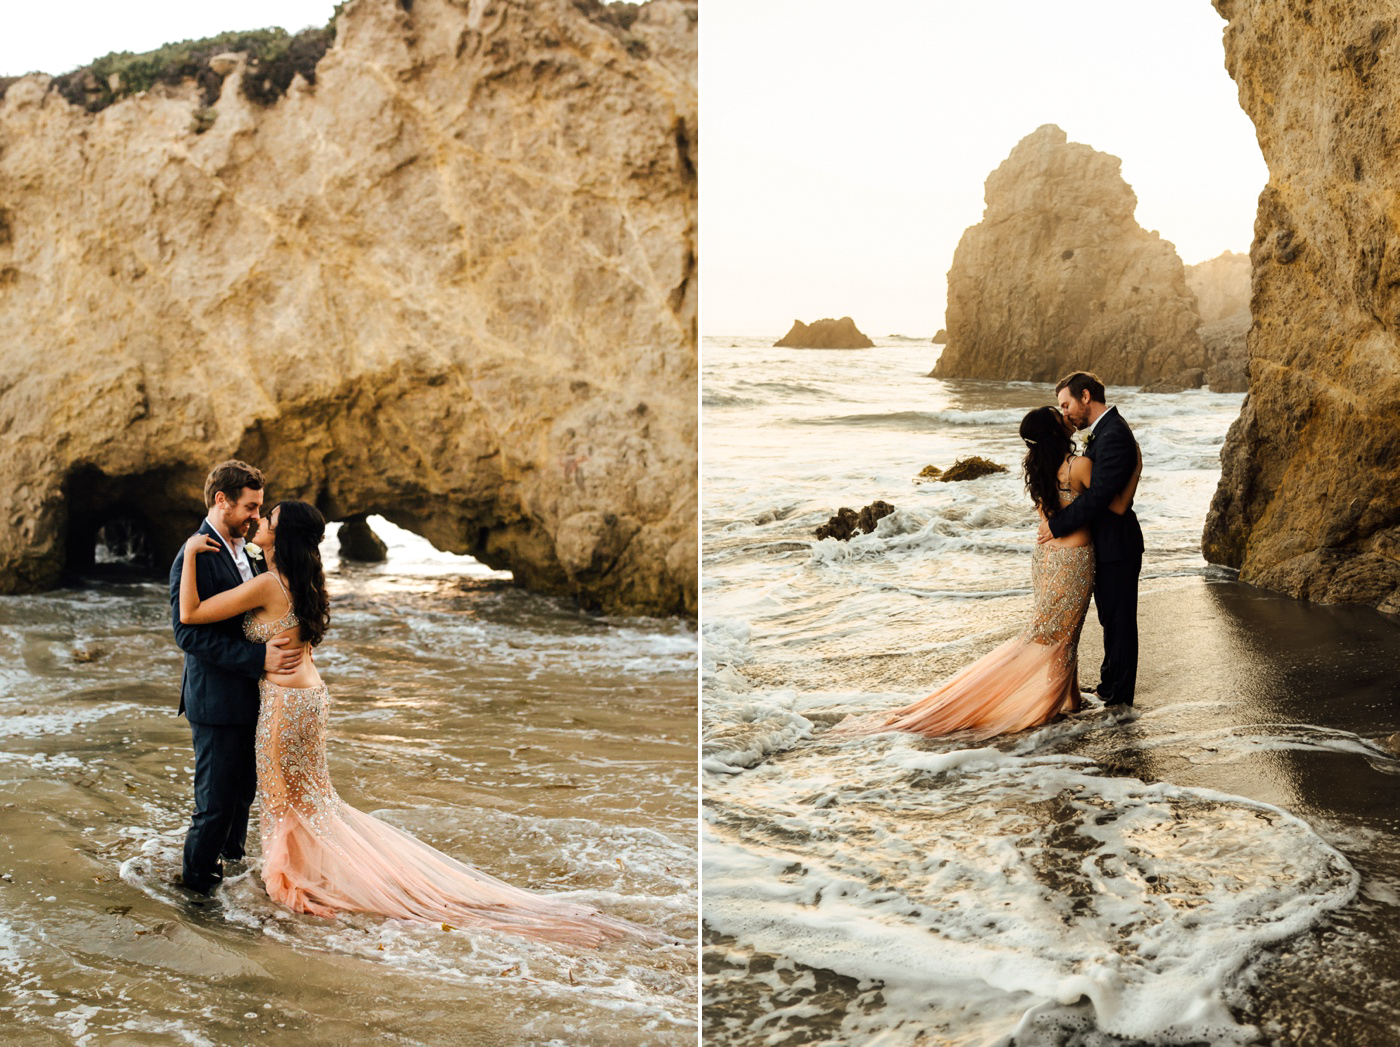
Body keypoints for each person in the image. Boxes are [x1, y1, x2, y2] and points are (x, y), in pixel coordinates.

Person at [178, 499, 650, 946]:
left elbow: (191, 614)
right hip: (309, 698)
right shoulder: (302, 579)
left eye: (269, 519)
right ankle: (316, 872)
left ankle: (300, 879)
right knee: (313, 799)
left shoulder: (268, 583)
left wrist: (191, 554)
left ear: (282, 537)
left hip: (284, 704)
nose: (261, 521)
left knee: (287, 799)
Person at [829, 405, 1139, 741]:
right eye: (1059, 415)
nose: (1065, 416)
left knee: (1052, 633)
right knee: (1064, 636)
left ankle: (1071, 700)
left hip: (1046, 558)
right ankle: (1052, 707)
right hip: (1073, 560)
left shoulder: (1037, 467)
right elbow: (1116, 504)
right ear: (1054, 432)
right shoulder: (1078, 466)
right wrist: (1135, 468)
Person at [171, 460, 303, 895]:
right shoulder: (194, 554)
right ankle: (196, 892)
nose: (256, 516)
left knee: (242, 795)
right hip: (216, 700)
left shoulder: (246, 549)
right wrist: (259, 657)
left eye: (260, 508)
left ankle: (231, 878)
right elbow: (187, 633)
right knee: (214, 805)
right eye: (250, 507)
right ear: (221, 501)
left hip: (252, 697)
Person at [1038, 371, 1145, 707]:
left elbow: (1100, 497)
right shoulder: (1104, 432)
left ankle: (1119, 701)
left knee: (1119, 623)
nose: (1065, 412)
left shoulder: (1113, 434)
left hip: (1118, 547)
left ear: (1085, 396)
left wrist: (1057, 525)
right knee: (1110, 620)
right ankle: (1108, 687)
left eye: (1066, 404)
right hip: (1107, 545)